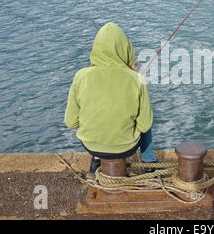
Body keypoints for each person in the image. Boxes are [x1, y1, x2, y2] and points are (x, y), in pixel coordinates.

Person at [64, 22, 156, 177]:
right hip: (126, 148)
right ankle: (148, 162)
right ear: (126, 49)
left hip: (91, 145)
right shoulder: (138, 79)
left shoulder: (81, 76)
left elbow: (71, 122)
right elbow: (144, 124)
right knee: (146, 121)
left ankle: (96, 161)